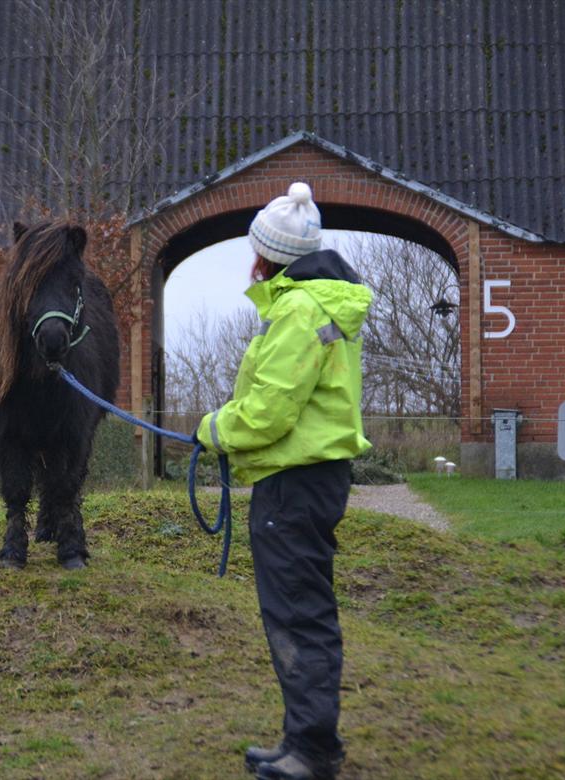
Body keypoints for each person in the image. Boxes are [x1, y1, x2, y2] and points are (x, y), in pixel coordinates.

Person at [194, 182, 373, 780]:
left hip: (293, 486)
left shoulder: (299, 310)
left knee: (298, 614)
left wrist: (212, 429)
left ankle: (313, 752)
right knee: (303, 609)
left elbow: (270, 412)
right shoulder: (323, 304)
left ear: (266, 254)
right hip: (313, 479)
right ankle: (304, 739)